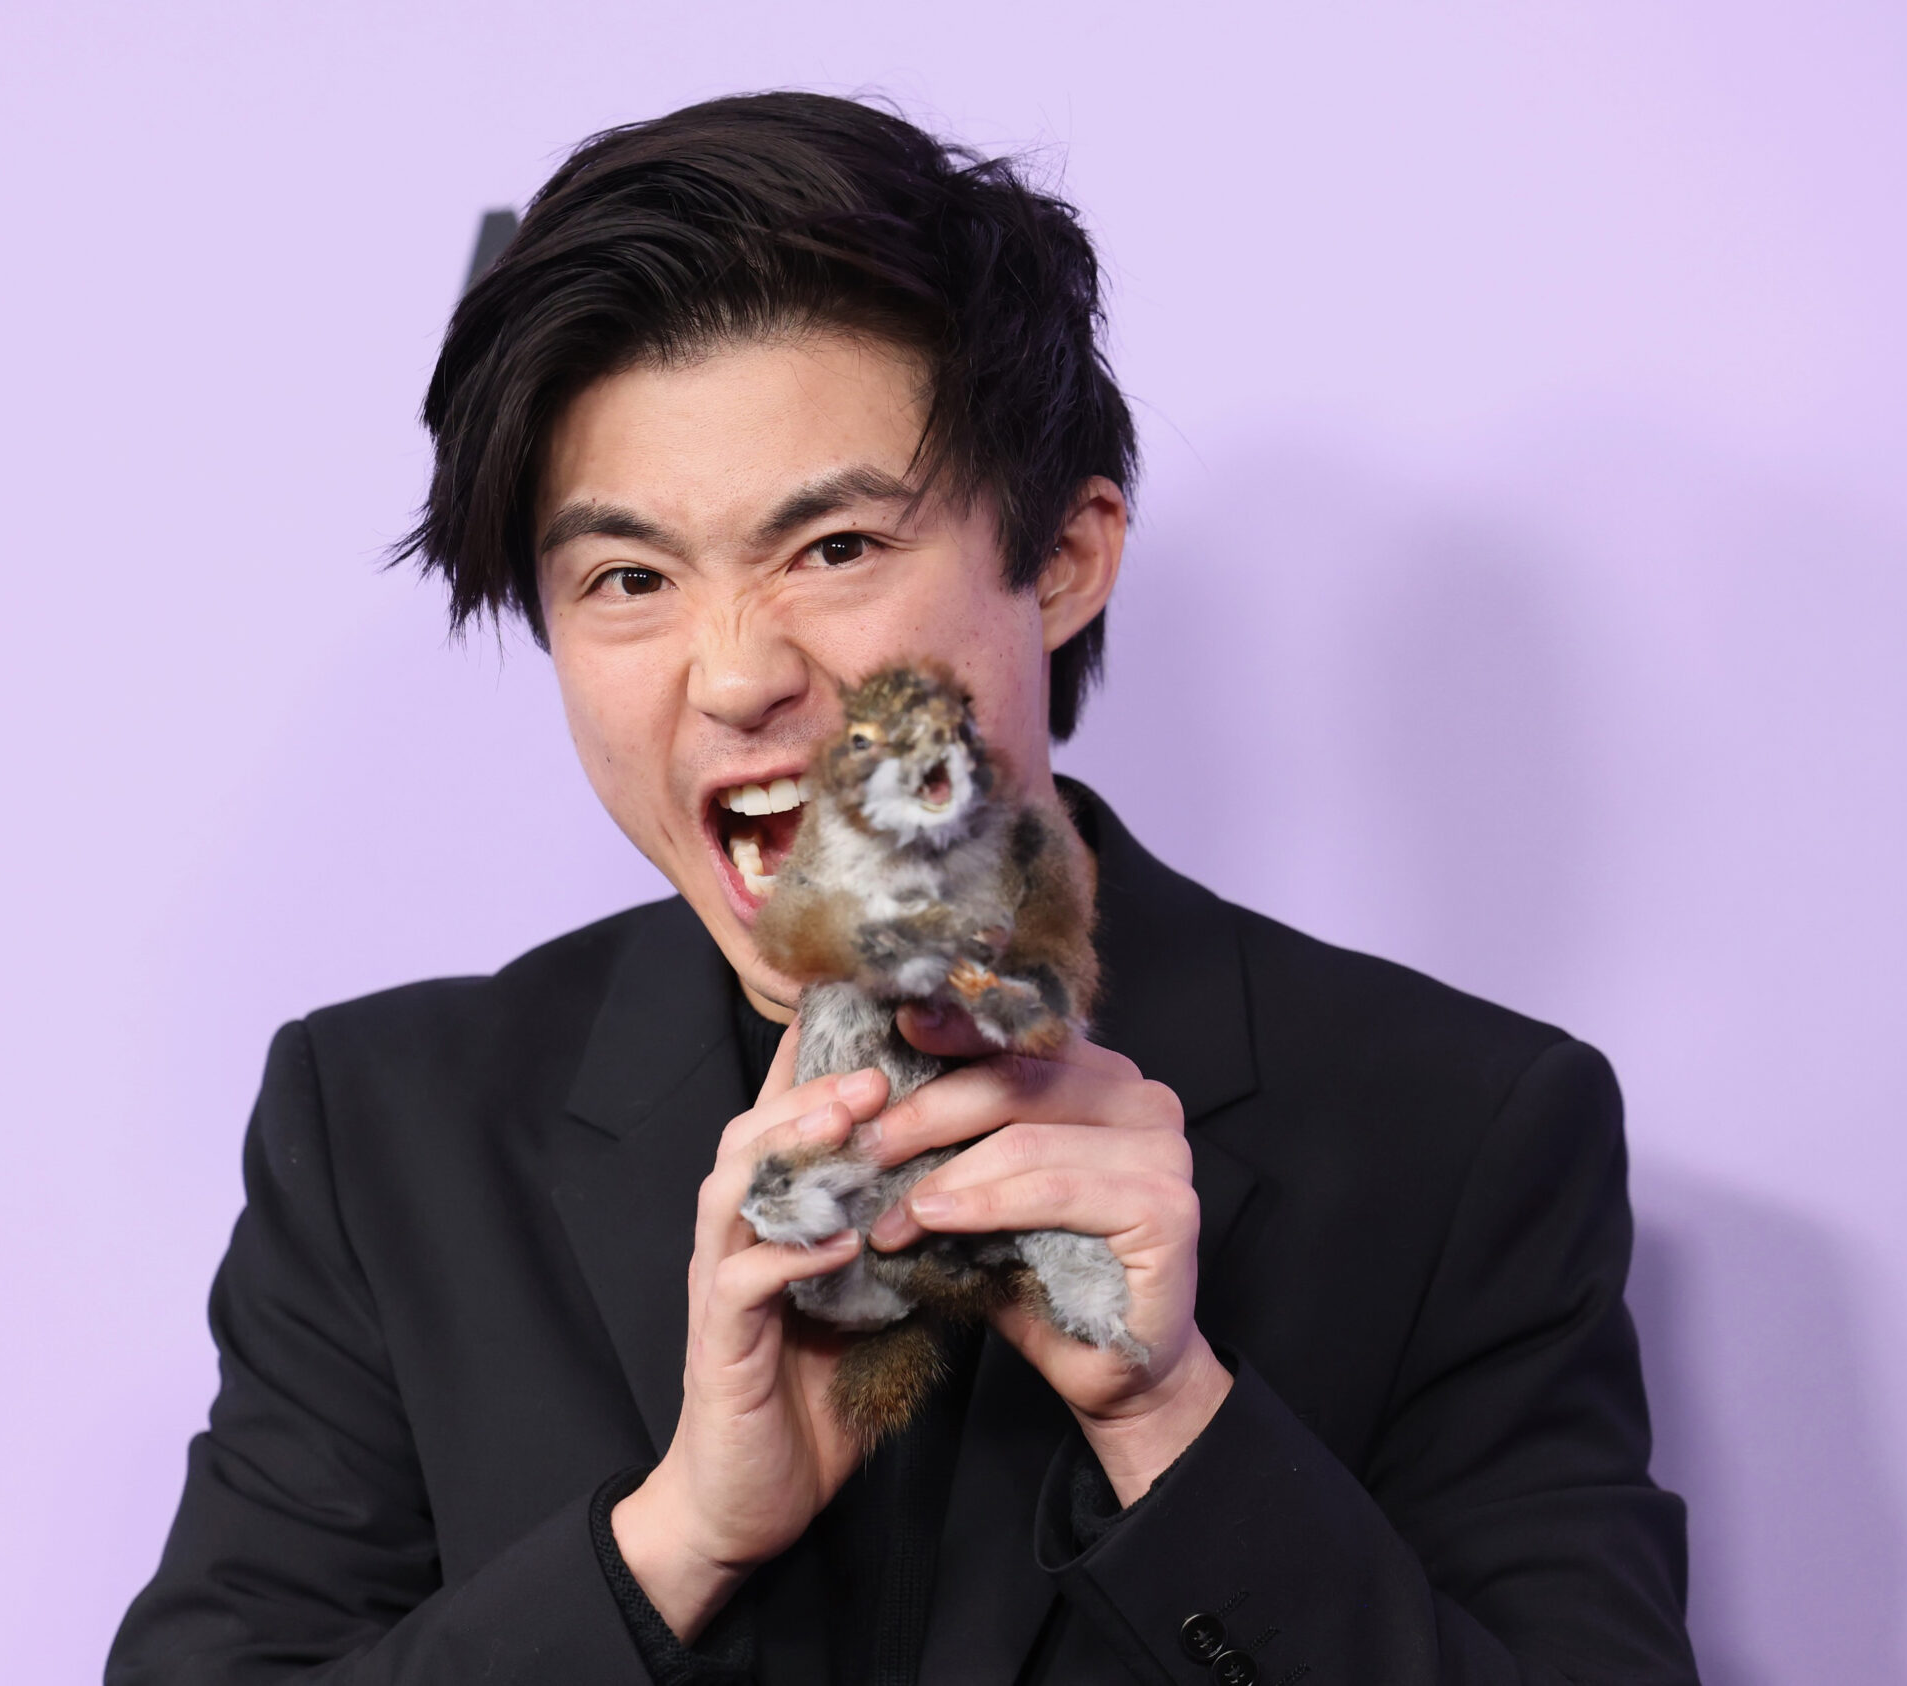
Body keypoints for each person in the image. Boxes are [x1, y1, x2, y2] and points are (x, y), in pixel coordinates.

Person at [108, 92, 1697, 1686]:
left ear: (1066, 554)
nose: (735, 674)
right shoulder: (388, 1131)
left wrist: (1172, 1422)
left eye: (836, 547)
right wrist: (673, 1541)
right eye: (629, 580)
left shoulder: (1465, 1129)